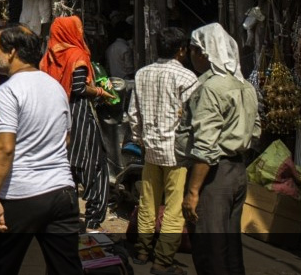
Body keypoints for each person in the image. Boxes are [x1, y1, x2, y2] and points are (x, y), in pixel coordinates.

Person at [0, 26, 84, 275]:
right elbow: (66, 139)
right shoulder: (56, 87)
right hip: (62, 192)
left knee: (0, 267)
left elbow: (5, 147)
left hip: (21, 194)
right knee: (66, 268)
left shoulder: (8, 90)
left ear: (12, 52)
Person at [179, 23, 259, 275]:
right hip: (237, 171)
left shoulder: (212, 88)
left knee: (210, 248)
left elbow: (206, 147)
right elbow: (255, 130)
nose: (192, 56)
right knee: (229, 245)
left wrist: (193, 191)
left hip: (215, 175)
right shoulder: (244, 85)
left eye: (194, 50)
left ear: (205, 53)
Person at [125, 26, 198, 274]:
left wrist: (140, 139)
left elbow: (133, 114)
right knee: (174, 208)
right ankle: (163, 259)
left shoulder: (142, 74)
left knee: (148, 202)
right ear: (181, 50)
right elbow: (191, 119)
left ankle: (143, 250)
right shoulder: (188, 78)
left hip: (151, 150)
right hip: (176, 153)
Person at [40, 15, 115, 232]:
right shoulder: (77, 55)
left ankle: (65, 215)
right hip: (78, 113)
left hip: (56, 114)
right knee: (94, 165)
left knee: (66, 166)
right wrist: (101, 91)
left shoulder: (49, 56)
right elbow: (80, 88)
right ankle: (93, 219)